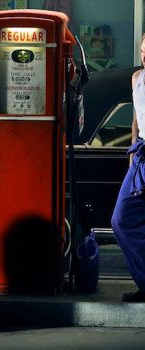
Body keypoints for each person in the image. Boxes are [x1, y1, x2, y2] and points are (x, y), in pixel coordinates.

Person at [111, 35, 145, 302]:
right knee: (121, 220)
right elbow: (136, 119)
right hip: (142, 156)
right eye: (144, 51)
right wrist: (132, 151)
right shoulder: (137, 79)